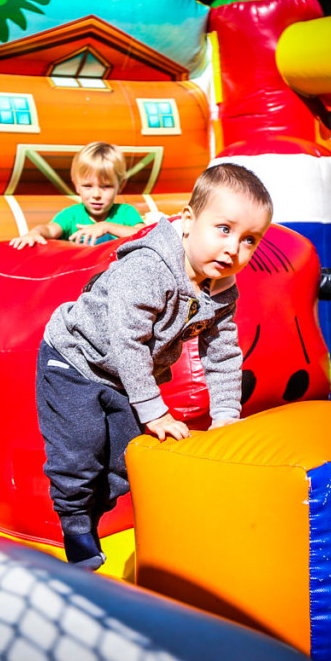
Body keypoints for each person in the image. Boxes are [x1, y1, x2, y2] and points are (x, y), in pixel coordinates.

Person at [37, 163, 273, 569]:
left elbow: (223, 353)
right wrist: (155, 409)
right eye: (223, 229)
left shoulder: (221, 289)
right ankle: (75, 523)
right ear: (188, 220)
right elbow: (126, 342)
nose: (234, 248)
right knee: (80, 452)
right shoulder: (150, 267)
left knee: (123, 461)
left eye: (249, 239)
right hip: (73, 360)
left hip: (121, 376)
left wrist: (226, 416)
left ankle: (91, 514)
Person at [9, 142, 146, 249]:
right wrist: (34, 233)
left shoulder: (125, 213)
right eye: (87, 186)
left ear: (120, 186)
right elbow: (49, 230)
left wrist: (106, 226)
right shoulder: (71, 215)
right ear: (76, 185)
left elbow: (145, 234)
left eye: (106, 186)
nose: (96, 194)